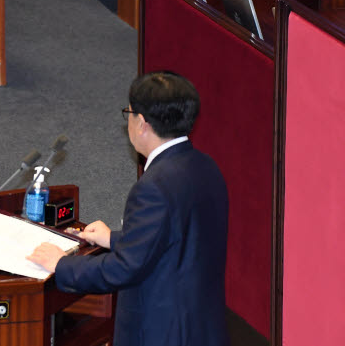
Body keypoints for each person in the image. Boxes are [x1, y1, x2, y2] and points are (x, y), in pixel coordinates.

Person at [27, 72, 229, 346]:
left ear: (143, 124)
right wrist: (115, 239)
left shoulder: (153, 187)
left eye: (129, 113)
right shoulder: (206, 166)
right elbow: (177, 237)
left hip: (162, 332)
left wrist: (61, 264)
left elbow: (124, 269)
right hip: (201, 325)